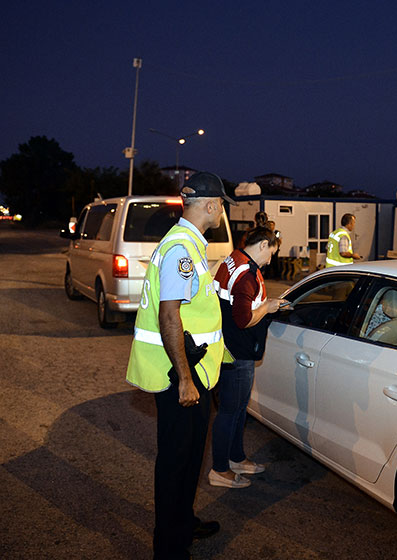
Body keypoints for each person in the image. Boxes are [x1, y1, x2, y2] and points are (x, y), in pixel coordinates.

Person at [126, 171, 235, 560]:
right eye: (221, 203)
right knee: (175, 461)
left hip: (195, 372)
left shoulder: (190, 244)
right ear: (209, 205)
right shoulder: (180, 250)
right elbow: (169, 316)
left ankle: (183, 523)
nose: (222, 210)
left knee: (191, 456)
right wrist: (186, 380)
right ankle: (168, 547)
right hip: (179, 376)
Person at [209, 226, 286, 488]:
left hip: (229, 346)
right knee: (230, 412)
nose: (271, 260)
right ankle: (220, 470)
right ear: (263, 245)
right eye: (272, 253)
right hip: (237, 352)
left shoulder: (233, 259)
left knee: (238, 410)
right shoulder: (246, 273)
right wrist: (269, 307)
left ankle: (236, 458)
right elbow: (243, 319)